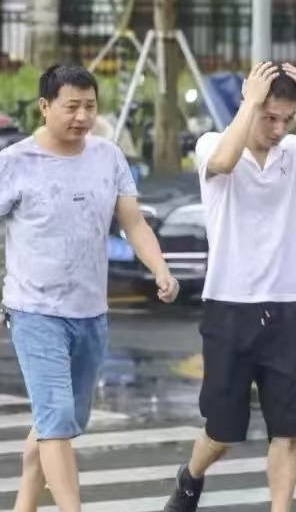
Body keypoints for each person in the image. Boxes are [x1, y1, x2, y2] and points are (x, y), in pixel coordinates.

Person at [164, 61, 296, 512]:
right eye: (269, 117)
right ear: (249, 106)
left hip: (287, 308)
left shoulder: (294, 152)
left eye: (286, 119)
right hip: (228, 308)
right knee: (222, 431)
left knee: (288, 430)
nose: (278, 128)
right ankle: (191, 476)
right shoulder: (213, 143)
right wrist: (251, 103)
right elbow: (224, 162)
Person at [0, 63, 180, 512]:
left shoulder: (107, 156)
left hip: (90, 312)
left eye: (90, 107)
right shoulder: (14, 163)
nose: (81, 117)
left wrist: (160, 268)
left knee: (62, 420)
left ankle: (23, 504)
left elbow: (132, 221)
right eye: (71, 107)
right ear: (45, 107)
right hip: (34, 309)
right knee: (56, 419)